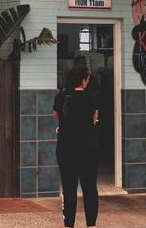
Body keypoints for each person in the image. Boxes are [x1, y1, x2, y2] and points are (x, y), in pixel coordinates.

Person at [53, 64, 100, 228]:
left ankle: (68, 225)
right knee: (89, 188)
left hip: (66, 148)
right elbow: (94, 119)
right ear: (84, 80)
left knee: (68, 188)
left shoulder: (61, 97)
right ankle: (91, 225)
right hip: (88, 148)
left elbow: (57, 117)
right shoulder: (91, 97)